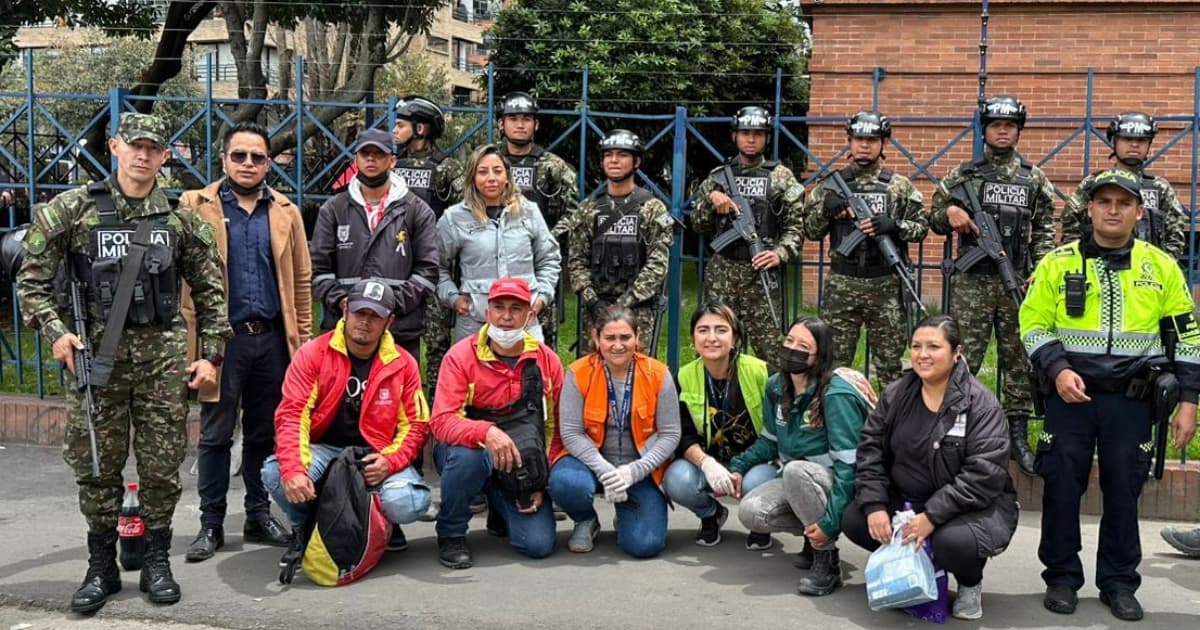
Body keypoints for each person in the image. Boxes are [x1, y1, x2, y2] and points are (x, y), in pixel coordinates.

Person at [16, 113, 230, 611]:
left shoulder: (179, 218)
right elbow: (30, 283)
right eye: (135, 145)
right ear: (115, 146)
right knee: (97, 466)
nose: (143, 155)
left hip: (162, 364)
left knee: (161, 467)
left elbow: (211, 291)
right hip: (96, 360)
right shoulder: (72, 209)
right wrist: (57, 334)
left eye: (153, 148)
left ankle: (156, 561)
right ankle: (101, 566)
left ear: (164, 156)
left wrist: (211, 356)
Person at [1020, 169, 1200, 621]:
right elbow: (1033, 323)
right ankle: (1061, 578)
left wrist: (1189, 401)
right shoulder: (1057, 263)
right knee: (1061, 487)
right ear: (1090, 209)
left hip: (1132, 399)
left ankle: (1118, 583)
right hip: (1069, 395)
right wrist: (1058, 369)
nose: (1113, 210)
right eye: (1104, 202)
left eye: (1123, 203)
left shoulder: (1161, 267)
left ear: (1139, 212)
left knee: (1125, 490)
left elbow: (1187, 335)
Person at [179, 121, 312, 562]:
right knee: (216, 434)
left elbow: (302, 282)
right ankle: (211, 523)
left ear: (268, 163)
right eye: (239, 155)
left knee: (264, 433)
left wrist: (303, 344)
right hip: (221, 342)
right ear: (224, 159)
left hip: (271, 340)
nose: (248, 163)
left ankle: (257, 513)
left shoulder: (286, 211)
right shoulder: (195, 206)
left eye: (257, 157)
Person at [844, 315, 1019, 620]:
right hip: (905, 500)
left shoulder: (981, 404)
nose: (922, 355)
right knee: (856, 519)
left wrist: (931, 516)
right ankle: (916, 567)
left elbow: (983, 475)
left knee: (953, 543)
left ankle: (969, 582)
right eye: (916, 346)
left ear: (956, 353)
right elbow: (870, 449)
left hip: (965, 509)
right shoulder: (897, 394)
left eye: (934, 347)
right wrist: (875, 505)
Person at [263, 279, 432, 569]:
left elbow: (417, 426)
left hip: (376, 452)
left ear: (389, 322)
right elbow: (292, 414)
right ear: (345, 310)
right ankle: (303, 529)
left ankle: (377, 524)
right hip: (324, 449)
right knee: (276, 473)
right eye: (359, 312)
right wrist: (294, 470)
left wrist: (390, 462)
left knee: (408, 502)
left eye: (375, 316)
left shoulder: (404, 363)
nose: (365, 322)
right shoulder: (312, 353)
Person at [929, 95, 1057, 477]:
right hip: (972, 283)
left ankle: (1017, 436)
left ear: (1018, 131)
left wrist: (1041, 269)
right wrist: (949, 212)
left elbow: (1044, 230)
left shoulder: (1034, 179)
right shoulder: (963, 176)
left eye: (1009, 125)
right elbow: (932, 217)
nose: (1003, 131)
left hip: (1015, 278)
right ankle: (958, 429)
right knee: (963, 358)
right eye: (996, 125)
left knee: (1018, 359)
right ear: (985, 130)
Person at [731, 317, 874, 596]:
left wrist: (830, 523)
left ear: (818, 357)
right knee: (752, 513)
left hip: (842, 484)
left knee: (796, 470)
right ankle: (812, 532)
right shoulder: (776, 386)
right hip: (798, 479)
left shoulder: (836, 394)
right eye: (789, 341)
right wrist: (736, 467)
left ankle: (826, 558)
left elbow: (850, 466)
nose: (792, 349)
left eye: (803, 346)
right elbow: (769, 441)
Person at [431, 278, 565, 568]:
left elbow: (557, 430)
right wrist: (486, 432)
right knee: (468, 458)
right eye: (499, 307)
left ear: (530, 316)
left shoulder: (547, 361)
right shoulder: (460, 356)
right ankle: (451, 532)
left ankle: (500, 505)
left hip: (521, 463)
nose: (506, 317)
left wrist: (540, 482)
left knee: (538, 545)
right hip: (469, 454)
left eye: (516, 309)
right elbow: (441, 422)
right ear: (487, 312)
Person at [802, 112, 928, 385]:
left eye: (872, 140)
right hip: (842, 284)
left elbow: (922, 228)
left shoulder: (899, 186)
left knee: (890, 367)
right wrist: (826, 210)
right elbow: (810, 231)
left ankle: (890, 412)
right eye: (859, 139)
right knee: (833, 365)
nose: (864, 145)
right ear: (849, 141)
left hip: (885, 284)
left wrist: (894, 226)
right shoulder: (830, 186)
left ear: (884, 144)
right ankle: (836, 410)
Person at [548, 305, 681, 558]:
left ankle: (626, 514)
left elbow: (671, 434)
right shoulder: (578, 373)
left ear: (637, 337)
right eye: (610, 338)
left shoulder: (658, 374)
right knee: (565, 483)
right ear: (596, 337)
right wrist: (605, 470)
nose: (617, 345)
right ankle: (585, 519)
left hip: (639, 469)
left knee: (645, 546)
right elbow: (571, 432)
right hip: (590, 463)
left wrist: (634, 472)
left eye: (625, 337)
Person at [310, 128, 439, 361]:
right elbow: (319, 270)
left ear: (392, 161)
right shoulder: (334, 209)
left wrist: (387, 304)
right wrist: (344, 303)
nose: (371, 159)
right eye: (365, 153)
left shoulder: (417, 211)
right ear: (355, 159)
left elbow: (427, 272)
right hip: (344, 329)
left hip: (399, 330)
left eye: (379, 154)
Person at [692, 106, 805, 372]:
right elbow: (697, 224)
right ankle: (719, 396)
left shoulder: (781, 177)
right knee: (717, 347)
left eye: (758, 134)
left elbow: (796, 227)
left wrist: (780, 253)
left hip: (761, 273)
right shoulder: (718, 177)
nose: (751, 139)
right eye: (745, 133)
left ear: (767, 138)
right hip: (723, 272)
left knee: (770, 353)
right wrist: (711, 201)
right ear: (735, 136)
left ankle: (772, 397)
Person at [663, 303, 770, 548]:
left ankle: (759, 522)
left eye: (721, 330)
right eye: (703, 330)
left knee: (758, 483)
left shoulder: (761, 372)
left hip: (755, 463)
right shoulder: (683, 377)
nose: (711, 338)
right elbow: (682, 434)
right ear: (694, 338)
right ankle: (711, 515)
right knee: (676, 479)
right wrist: (707, 464)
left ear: (735, 338)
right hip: (708, 462)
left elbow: (774, 431)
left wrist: (741, 467)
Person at [437, 144, 561, 344]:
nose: (491, 178)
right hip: (475, 321)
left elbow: (549, 258)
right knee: (472, 366)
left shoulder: (528, 212)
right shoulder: (454, 218)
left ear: (507, 176)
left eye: (497, 171)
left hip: (524, 321)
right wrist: (453, 298)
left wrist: (542, 297)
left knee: (530, 365)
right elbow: (436, 266)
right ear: (472, 177)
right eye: (483, 172)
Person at [567, 129, 673, 354]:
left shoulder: (652, 208)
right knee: (593, 369)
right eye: (608, 155)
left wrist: (623, 304)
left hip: (637, 311)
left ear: (636, 162)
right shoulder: (588, 209)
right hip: (596, 310)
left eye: (622, 155)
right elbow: (576, 261)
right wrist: (593, 301)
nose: (614, 160)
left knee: (637, 370)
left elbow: (658, 264)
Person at [389, 96, 464, 401]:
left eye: (401, 125)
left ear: (420, 129)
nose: (394, 130)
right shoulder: (391, 166)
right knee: (393, 338)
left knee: (437, 343)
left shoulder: (447, 169)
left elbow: (465, 212)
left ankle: (437, 405)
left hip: (434, 268)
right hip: (396, 266)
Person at [496, 91, 579, 349]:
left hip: (536, 262)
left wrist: (546, 239)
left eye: (526, 119)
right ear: (501, 124)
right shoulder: (489, 162)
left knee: (541, 340)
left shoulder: (553, 166)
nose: (520, 124)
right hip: (491, 259)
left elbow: (574, 213)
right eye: (513, 118)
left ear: (536, 124)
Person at [1060, 112, 1187, 263]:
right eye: (1127, 139)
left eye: (1141, 140)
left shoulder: (1160, 188)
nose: (1134, 145)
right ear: (1115, 141)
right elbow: (1070, 229)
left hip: (1146, 270)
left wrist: (1160, 267)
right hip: (1096, 267)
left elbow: (1175, 236)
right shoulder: (1092, 183)